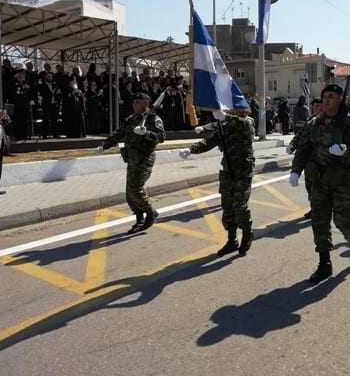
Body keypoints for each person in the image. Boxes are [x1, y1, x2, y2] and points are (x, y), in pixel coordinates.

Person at [289, 84, 350, 283]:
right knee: (320, 222)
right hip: (319, 181)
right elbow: (304, 148)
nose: (326, 100)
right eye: (324, 96)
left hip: (342, 181)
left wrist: (345, 151)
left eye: (331, 96)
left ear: (340, 99)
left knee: (343, 221)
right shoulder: (314, 123)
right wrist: (296, 170)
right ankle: (324, 263)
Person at [181, 108, 256, 257]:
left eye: (233, 109)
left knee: (240, 206)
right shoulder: (225, 125)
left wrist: (226, 117)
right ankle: (232, 240)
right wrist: (191, 150)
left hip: (243, 170)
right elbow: (210, 141)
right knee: (227, 207)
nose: (230, 111)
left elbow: (245, 126)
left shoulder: (247, 123)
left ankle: (247, 233)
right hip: (228, 170)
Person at [99, 92, 165, 234]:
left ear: (145, 104)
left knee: (136, 189)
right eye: (133, 101)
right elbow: (118, 134)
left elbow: (161, 137)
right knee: (129, 193)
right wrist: (104, 145)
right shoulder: (131, 119)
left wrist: (146, 133)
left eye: (137, 102)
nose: (134, 104)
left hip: (144, 159)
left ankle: (150, 213)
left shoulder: (153, 118)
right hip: (132, 159)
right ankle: (139, 218)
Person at [287, 97, 323, 219]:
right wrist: (292, 145)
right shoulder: (309, 120)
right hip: (308, 161)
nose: (317, 108)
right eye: (315, 106)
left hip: (321, 161)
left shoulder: (328, 121)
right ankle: (314, 208)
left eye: (319, 106)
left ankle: (320, 210)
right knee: (310, 185)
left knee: (319, 187)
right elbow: (300, 135)